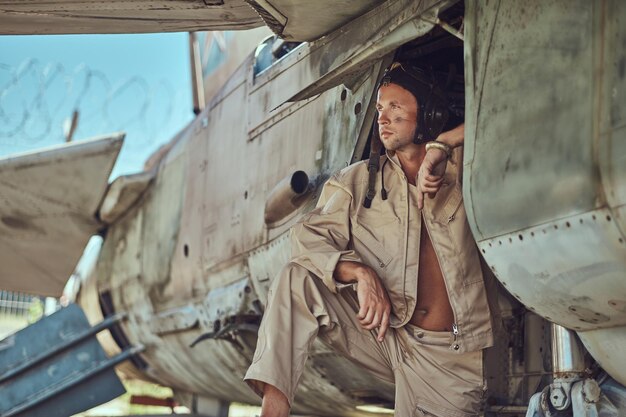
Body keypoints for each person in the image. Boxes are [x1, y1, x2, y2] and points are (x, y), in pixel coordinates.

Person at [244, 62, 495, 417]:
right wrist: (358, 273)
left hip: (446, 358)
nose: (383, 117)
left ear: (429, 111)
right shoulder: (359, 181)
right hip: (385, 333)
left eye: (395, 107)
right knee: (296, 278)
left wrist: (445, 143)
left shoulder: (463, 164)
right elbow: (305, 239)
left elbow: (501, 115)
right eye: (379, 108)